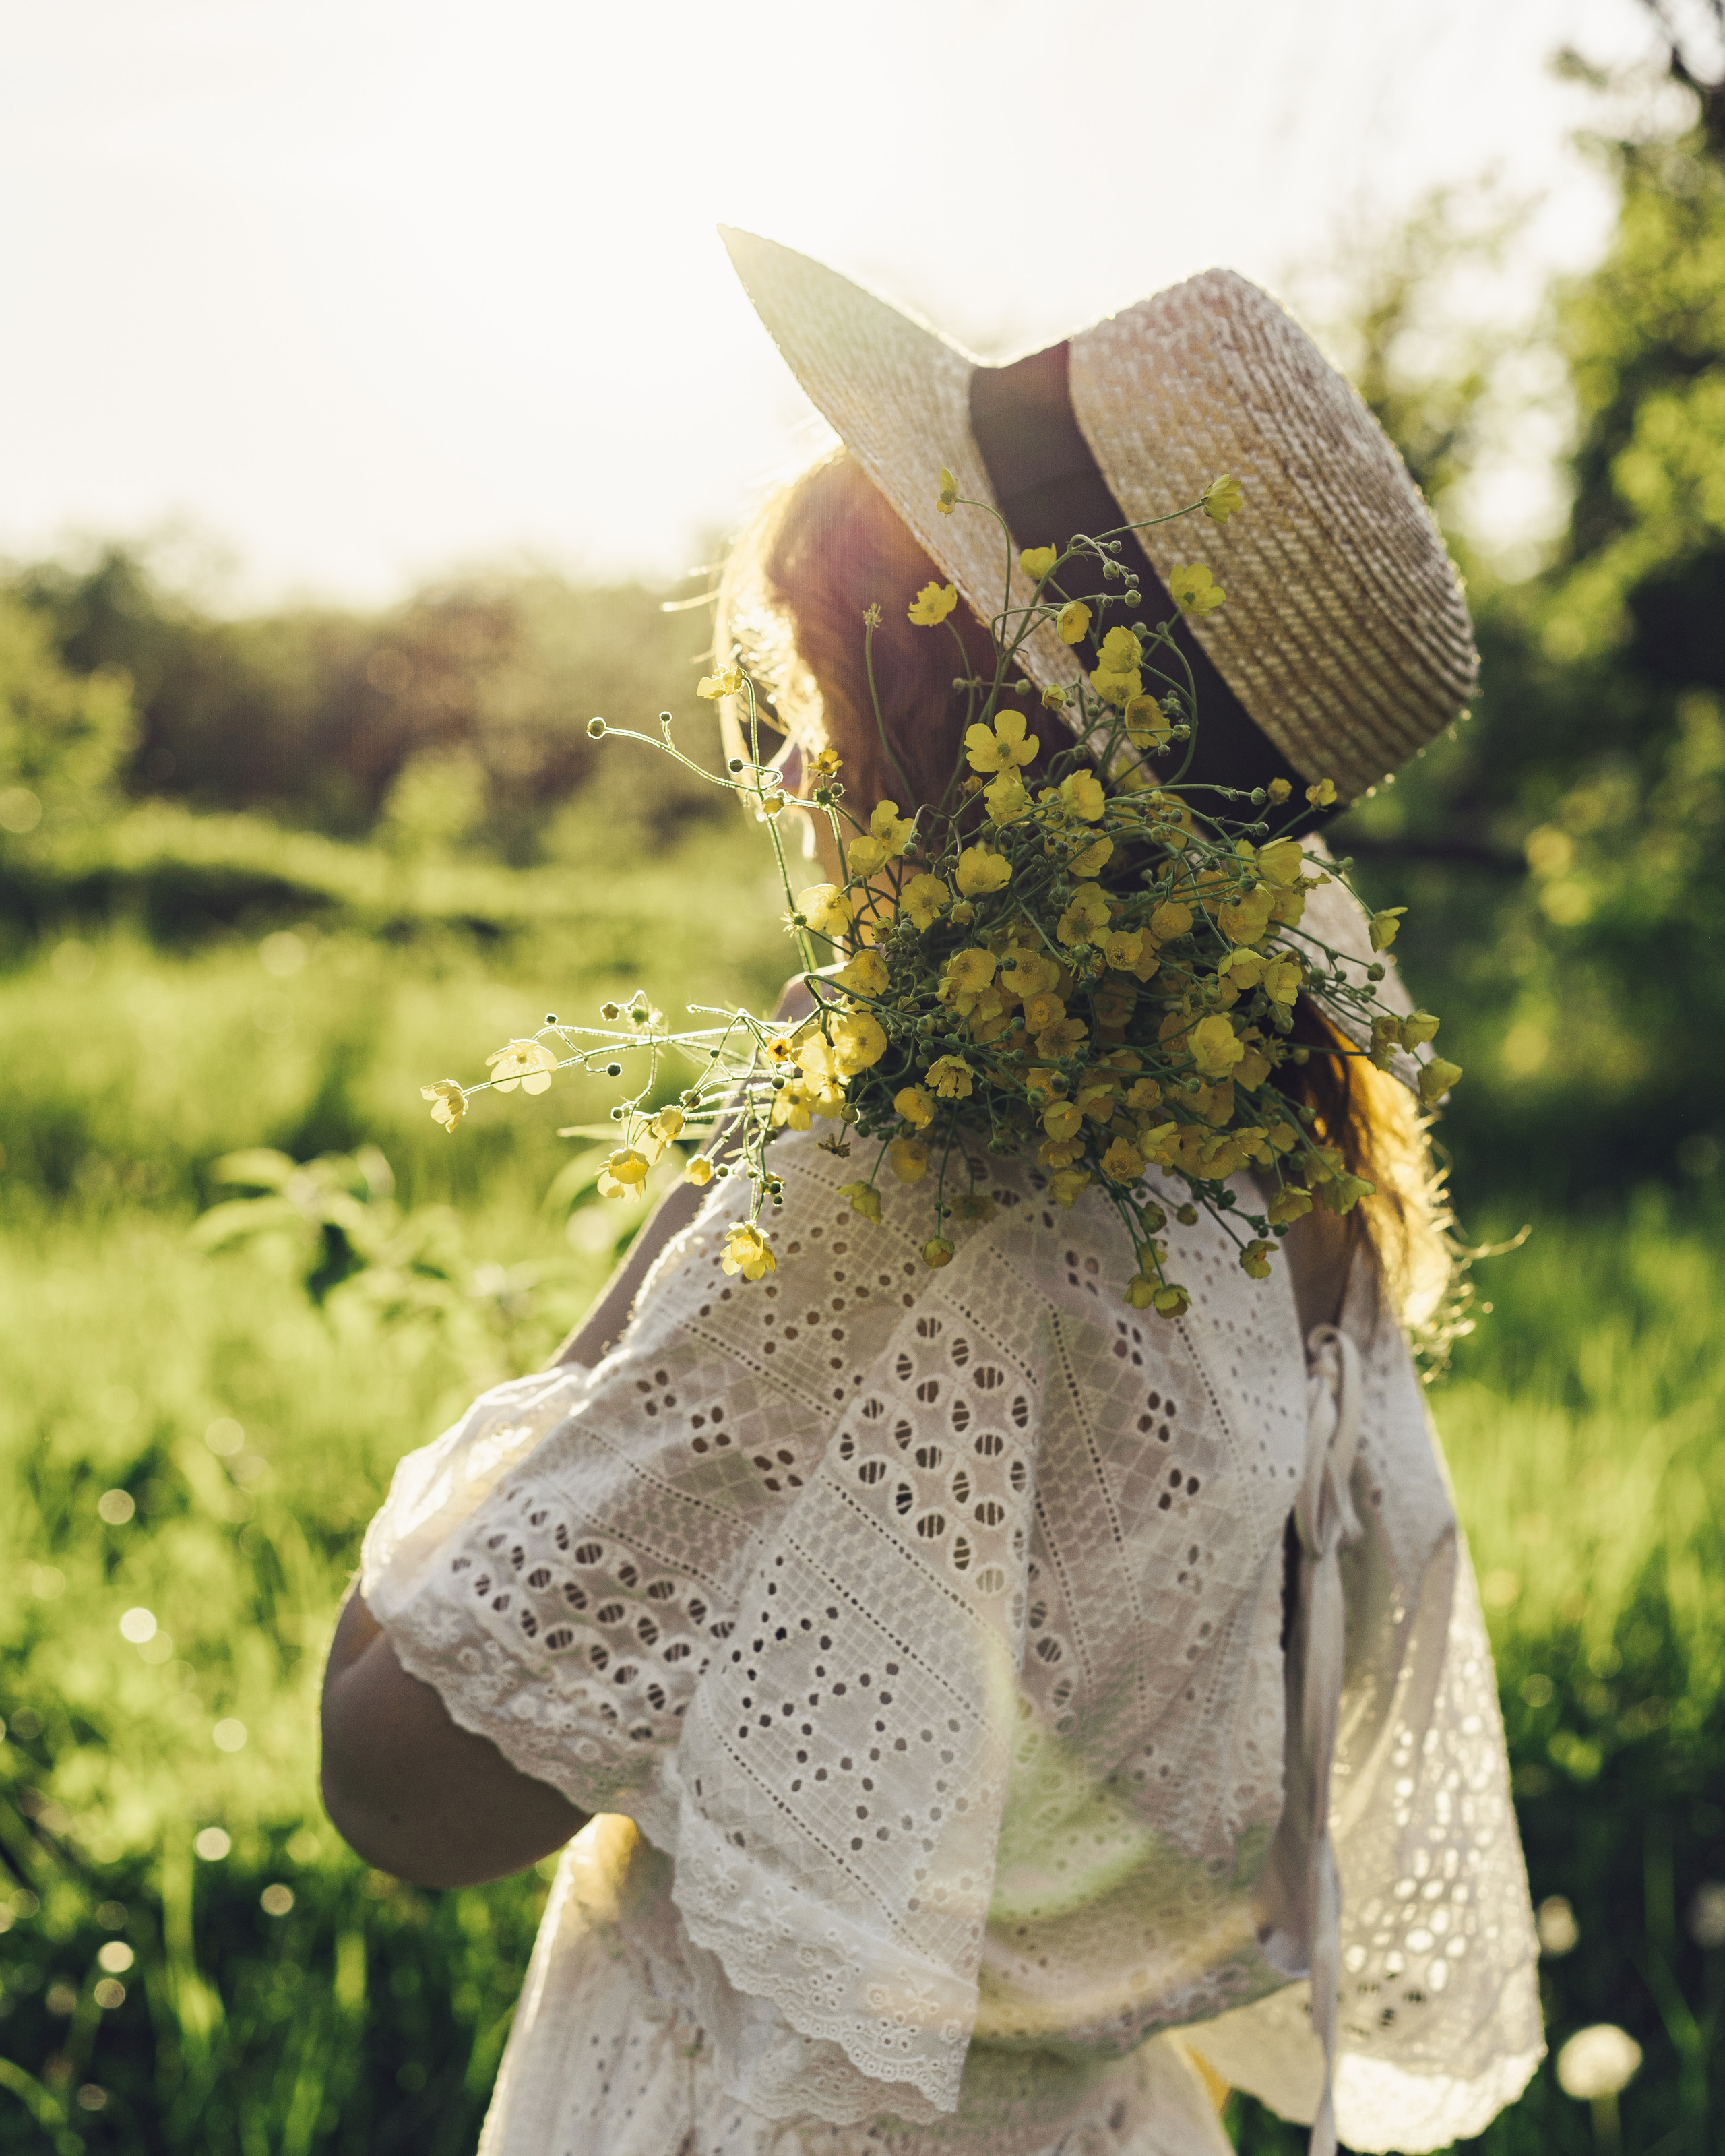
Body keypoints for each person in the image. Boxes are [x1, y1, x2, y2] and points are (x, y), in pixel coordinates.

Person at [321, 232, 1542, 2156]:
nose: (798, 784)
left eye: (806, 714)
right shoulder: (1297, 1177)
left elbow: (400, 1782)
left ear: (926, 718)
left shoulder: (889, 1197)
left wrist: (688, 1237)